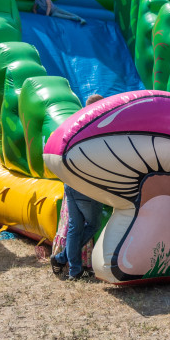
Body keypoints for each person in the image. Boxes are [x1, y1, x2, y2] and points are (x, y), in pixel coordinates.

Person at [50, 93, 105, 280]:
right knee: (94, 223)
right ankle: (62, 258)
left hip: (70, 182)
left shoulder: (76, 123)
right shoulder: (97, 127)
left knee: (75, 227)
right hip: (85, 183)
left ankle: (73, 270)